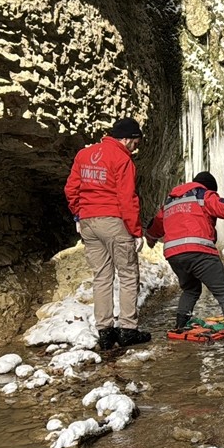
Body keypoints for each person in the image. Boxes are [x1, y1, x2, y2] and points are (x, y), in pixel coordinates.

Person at [145, 171, 224, 340]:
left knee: (191, 289)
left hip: (174, 255)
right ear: (209, 188)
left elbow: (156, 224)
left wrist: (151, 238)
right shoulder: (203, 195)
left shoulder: (171, 201)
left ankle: (180, 326)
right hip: (199, 251)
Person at [64, 116, 151, 352]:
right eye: (135, 143)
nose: (136, 148)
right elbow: (127, 198)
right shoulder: (122, 159)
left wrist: (78, 214)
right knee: (128, 274)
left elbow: (71, 189)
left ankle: (105, 332)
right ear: (127, 139)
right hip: (113, 221)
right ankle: (128, 330)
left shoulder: (84, 154)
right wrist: (136, 231)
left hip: (88, 222)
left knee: (101, 277)